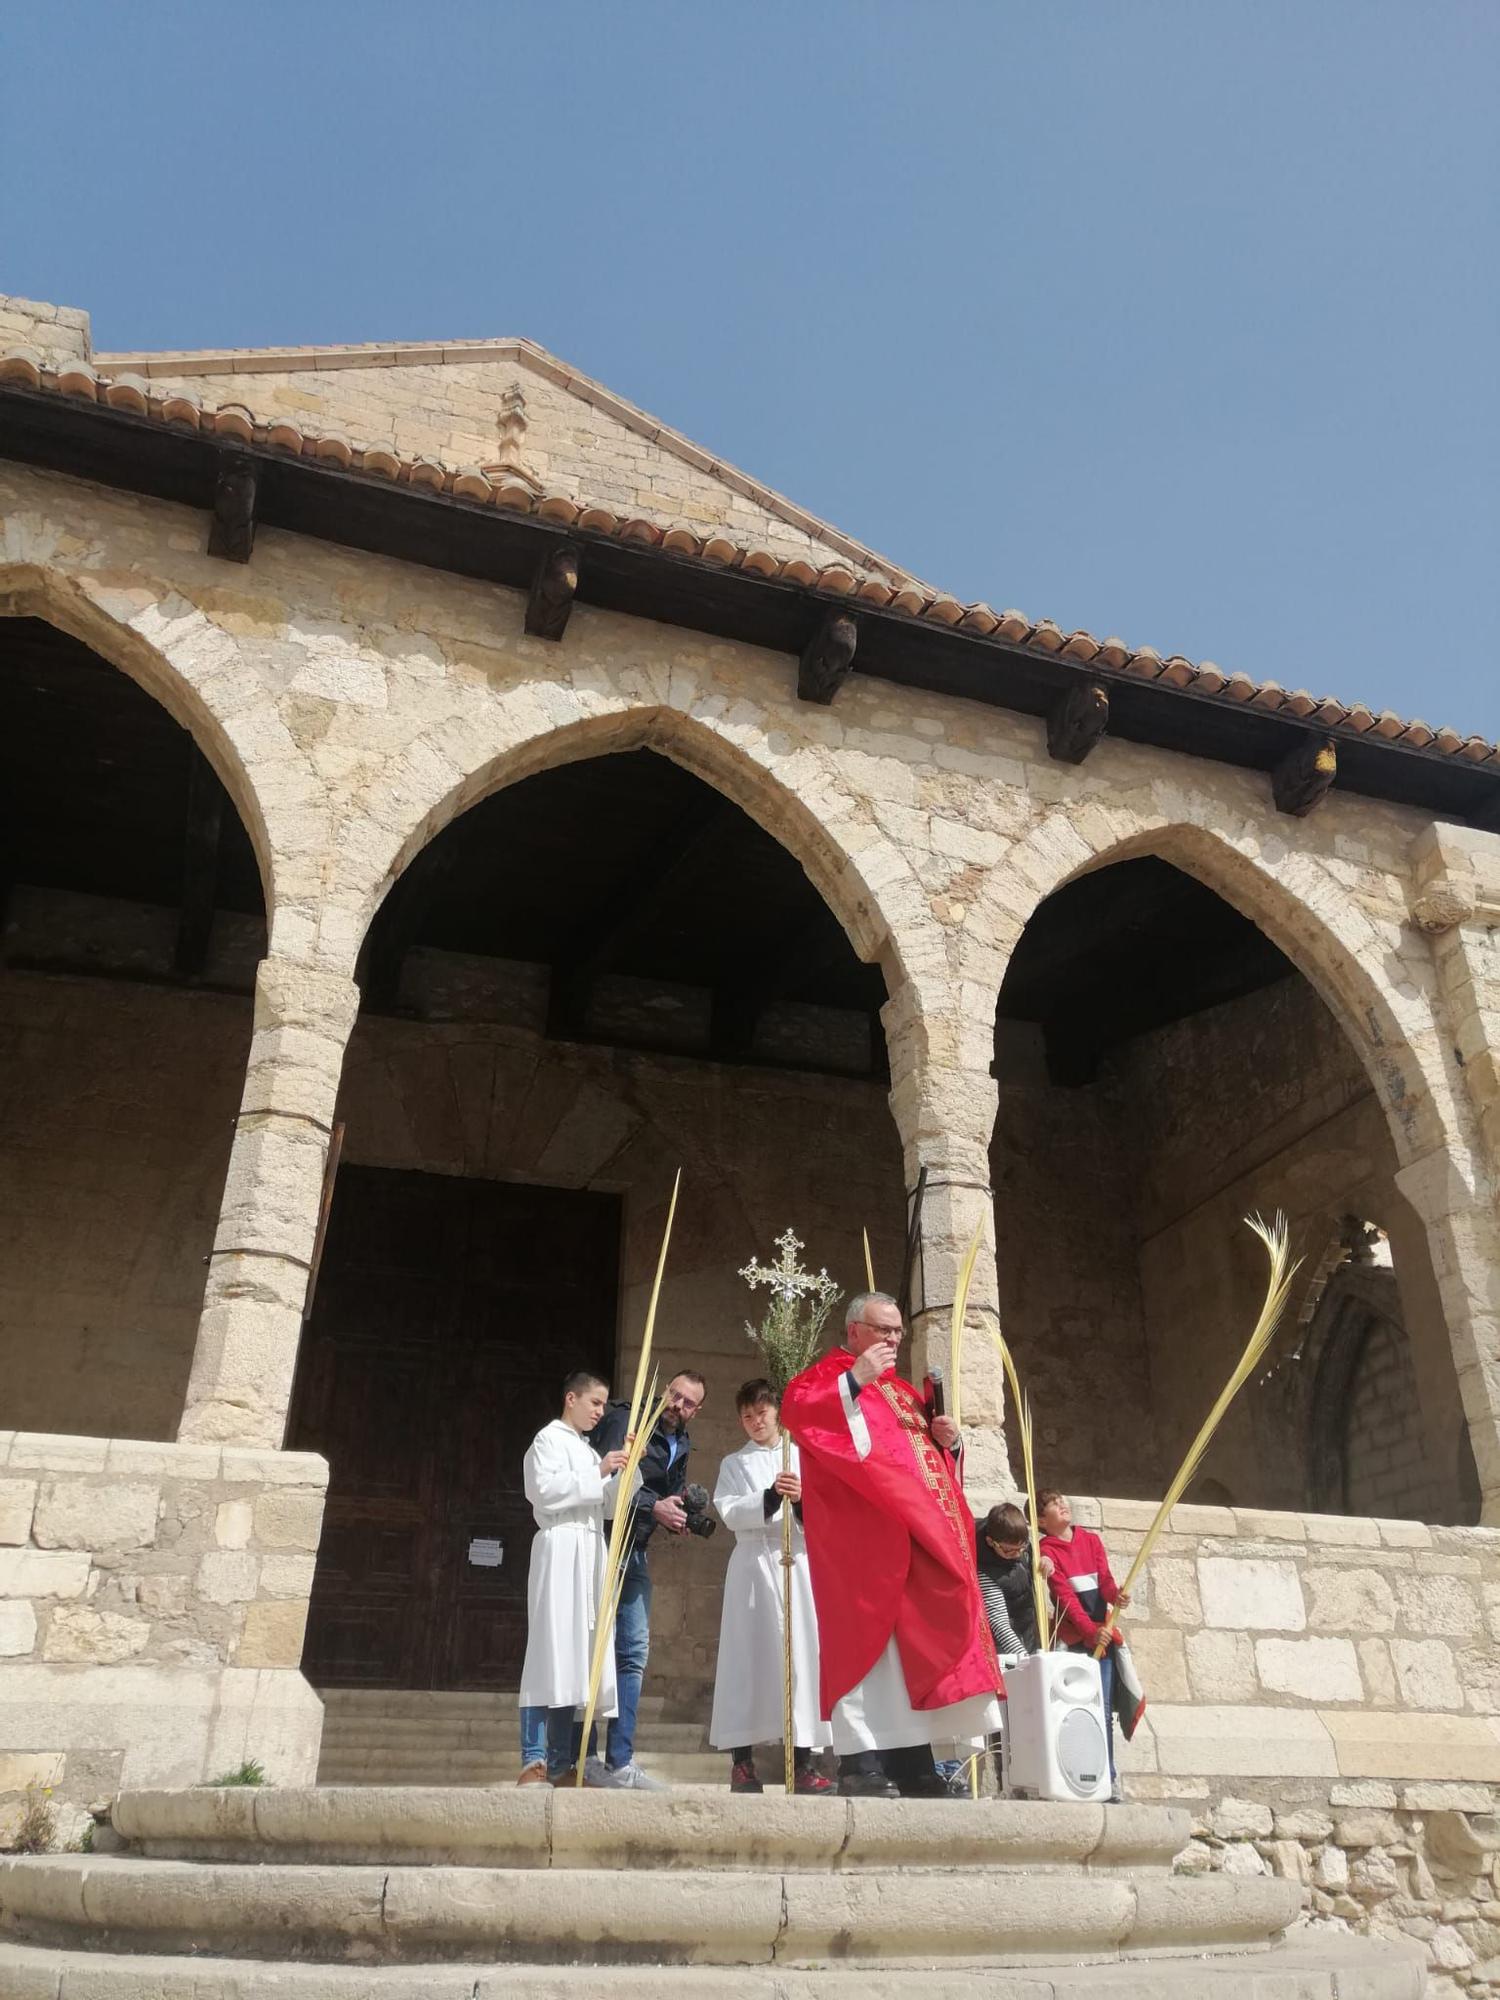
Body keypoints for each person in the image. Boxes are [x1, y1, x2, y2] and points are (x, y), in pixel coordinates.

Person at [780, 1291, 1003, 1799]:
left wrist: (948, 1444)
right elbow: (800, 1414)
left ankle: (913, 1763)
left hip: (913, 1542)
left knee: (909, 1655)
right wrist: (854, 1379)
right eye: (884, 1331)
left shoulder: (903, 1393)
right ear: (855, 1330)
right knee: (865, 1652)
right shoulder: (826, 1376)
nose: (894, 1341)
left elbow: (925, 1470)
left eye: (899, 1332)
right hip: (859, 1542)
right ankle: (859, 1763)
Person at [709, 1378, 834, 1795]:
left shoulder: (800, 1456)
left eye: (761, 1413)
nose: (755, 1422)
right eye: (747, 1416)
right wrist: (767, 1498)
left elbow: (825, 1515)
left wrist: (799, 1501)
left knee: (800, 1660)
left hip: (796, 1562)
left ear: (777, 1412)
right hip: (752, 1564)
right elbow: (727, 1509)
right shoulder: (734, 1463)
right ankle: (742, 1763)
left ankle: (802, 1762)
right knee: (746, 1659)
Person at [587, 1368, 708, 1790]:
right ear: (663, 1390)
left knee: (633, 1652)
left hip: (635, 1550)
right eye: (675, 1395)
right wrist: (655, 1506)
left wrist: (679, 1515)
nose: (678, 1405)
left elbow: (665, 1493)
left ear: (697, 1410)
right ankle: (582, 1756)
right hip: (602, 1545)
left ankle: (620, 1761)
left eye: (689, 1402)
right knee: (592, 1649)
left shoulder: (683, 1441)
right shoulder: (627, 1419)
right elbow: (602, 1481)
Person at [516, 1369, 631, 1786]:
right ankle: (533, 1760)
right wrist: (599, 1470)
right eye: (595, 1403)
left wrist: (624, 1470)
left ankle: (562, 1764)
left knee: (573, 1660)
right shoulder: (547, 1440)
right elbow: (543, 1491)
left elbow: (605, 1506)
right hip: (560, 1547)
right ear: (571, 1398)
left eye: (603, 1404)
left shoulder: (585, 1450)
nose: (601, 1411)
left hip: (588, 1551)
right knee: (548, 1653)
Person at [1037, 1489, 1131, 1799]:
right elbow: (1065, 1599)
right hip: (1076, 1642)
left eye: (1061, 1500)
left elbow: (1103, 1580)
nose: (1062, 1504)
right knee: (1076, 1711)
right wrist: (1090, 1633)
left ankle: (1109, 1776)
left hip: (1100, 1639)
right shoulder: (1046, 1551)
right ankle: (1079, 1777)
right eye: (1053, 1503)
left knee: (1102, 1711)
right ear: (1040, 1519)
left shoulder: (1090, 1541)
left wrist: (1114, 1595)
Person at [976, 1501, 1050, 1660]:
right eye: (1009, 1551)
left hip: (1028, 1635)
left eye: (1021, 1548)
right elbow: (999, 1625)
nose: (1017, 1555)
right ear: (990, 1542)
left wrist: (1045, 1559)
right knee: (1012, 1678)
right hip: (1004, 1653)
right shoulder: (985, 1573)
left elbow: (1032, 1554)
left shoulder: (1019, 1543)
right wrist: (1025, 1661)